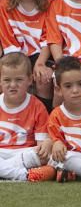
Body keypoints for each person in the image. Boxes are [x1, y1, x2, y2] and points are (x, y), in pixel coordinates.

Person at [0, 0, 54, 109]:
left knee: (43, 78)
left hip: (41, 55)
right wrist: (20, 68)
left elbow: (48, 38)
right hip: (14, 55)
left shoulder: (49, 4)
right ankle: (8, 121)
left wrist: (40, 63)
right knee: (8, 76)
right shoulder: (5, 5)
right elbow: (7, 40)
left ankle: (43, 121)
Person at [0, 52, 54, 182]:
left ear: (30, 79)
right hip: (2, 154)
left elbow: (42, 146)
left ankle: (6, 171)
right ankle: (25, 175)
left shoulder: (37, 106)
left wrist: (46, 145)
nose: (13, 85)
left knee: (45, 155)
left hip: (26, 153)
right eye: (7, 80)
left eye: (19, 80)